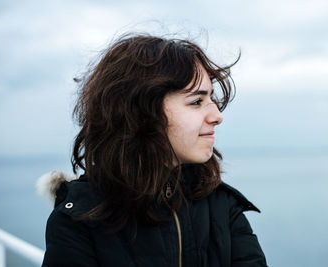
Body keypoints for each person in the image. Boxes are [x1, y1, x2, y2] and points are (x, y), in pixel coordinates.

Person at [40, 33, 268, 266]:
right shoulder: (78, 220)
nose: (217, 116)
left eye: (211, 99)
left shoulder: (220, 205)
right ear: (140, 114)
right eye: (196, 102)